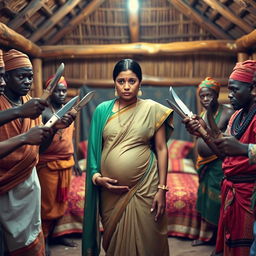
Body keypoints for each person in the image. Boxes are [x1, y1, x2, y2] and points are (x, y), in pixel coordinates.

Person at [82, 59, 173, 256]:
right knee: (115, 243)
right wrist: (97, 178)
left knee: (150, 240)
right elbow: (93, 152)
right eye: (121, 81)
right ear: (114, 83)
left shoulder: (151, 109)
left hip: (146, 187)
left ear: (140, 82)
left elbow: (161, 148)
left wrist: (162, 189)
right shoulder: (102, 111)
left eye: (132, 81)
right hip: (110, 193)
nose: (126, 86)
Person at [0, 49, 74, 256]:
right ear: (7, 77)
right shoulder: (4, 104)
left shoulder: (31, 103)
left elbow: (39, 147)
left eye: (30, 76)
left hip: (28, 181)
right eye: (21, 76)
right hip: (6, 184)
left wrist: (53, 129)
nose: (27, 81)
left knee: (31, 234)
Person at [184, 60, 256, 256]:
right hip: (231, 192)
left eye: (234, 89)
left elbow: (236, 149)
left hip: (250, 196)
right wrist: (202, 131)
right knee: (229, 244)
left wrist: (242, 148)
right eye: (228, 89)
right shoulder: (237, 117)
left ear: (253, 88)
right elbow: (224, 154)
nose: (230, 95)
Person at [37, 76, 81, 255]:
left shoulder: (69, 111)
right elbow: (40, 145)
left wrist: (76, 161)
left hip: (66, 163)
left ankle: (56, 235)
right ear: (50, 91)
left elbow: (69, 140)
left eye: (64, 90)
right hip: (48, 164)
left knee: (61, 203)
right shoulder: (45, 113)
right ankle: (44, 241)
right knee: (46, 206)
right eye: (57, 90)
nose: (61, 93)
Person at [191, 77, 233, 246]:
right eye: (202, 96)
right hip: (205, 164)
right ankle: (208, 237)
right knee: (205, 198)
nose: (206, 99)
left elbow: (220, 137)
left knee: (217, 199)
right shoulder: (202, 114)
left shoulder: (227, 112)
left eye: (209, 95)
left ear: (216, 95)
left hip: (219, 163)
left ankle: (219, 239)